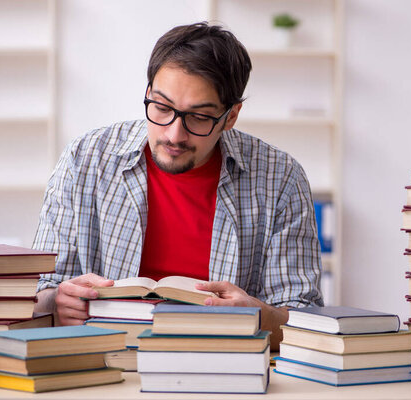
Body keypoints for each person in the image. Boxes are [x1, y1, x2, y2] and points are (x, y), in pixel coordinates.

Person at [33, 22, 323, 349]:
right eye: (162, 107)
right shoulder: (85, 159)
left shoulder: (281, 178)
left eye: (198, 117)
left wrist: (260, 317)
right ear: (147, 94)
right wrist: (58, 301)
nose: (173, 135)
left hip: (227, 366)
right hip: (105, 363)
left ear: (230, 116)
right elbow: (39, 292)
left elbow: (304, 317)